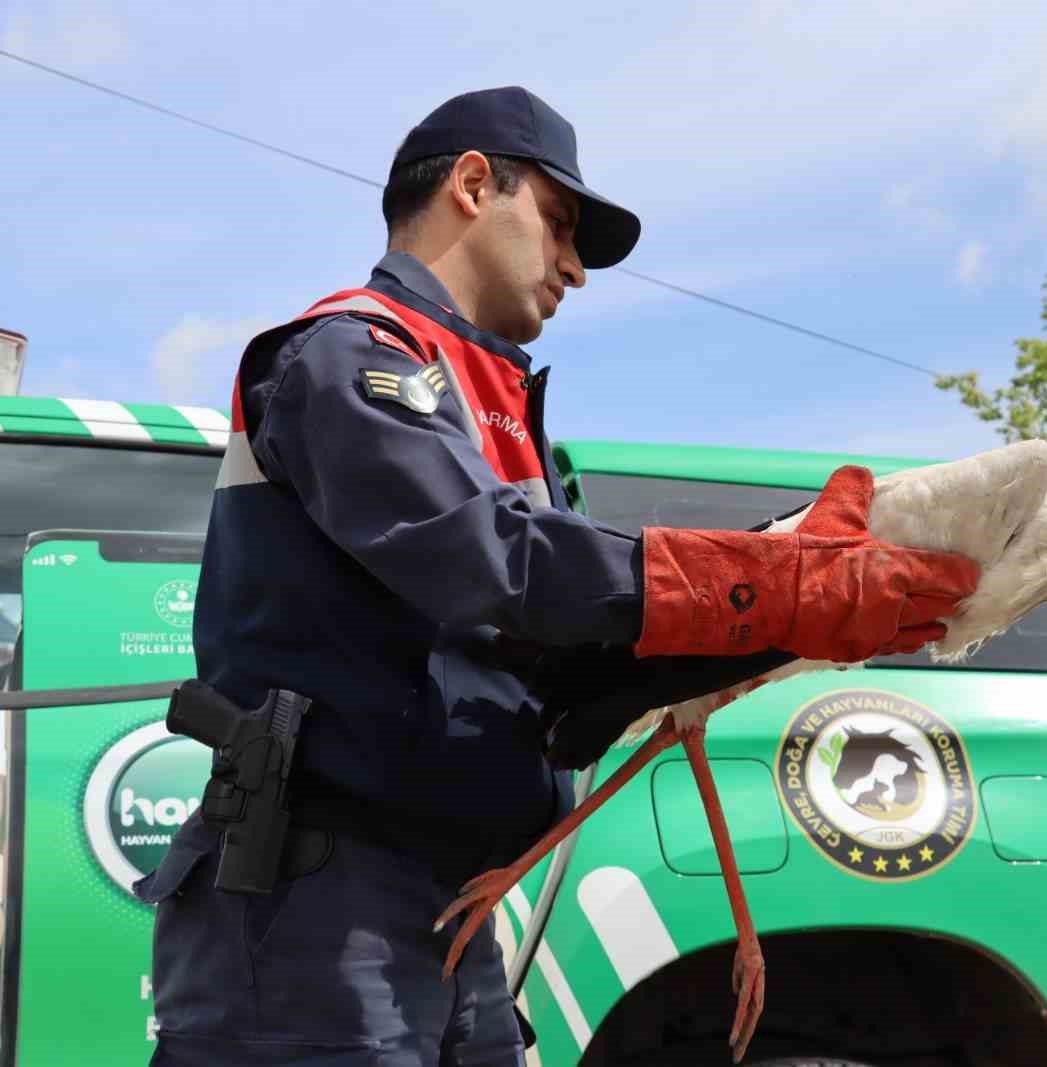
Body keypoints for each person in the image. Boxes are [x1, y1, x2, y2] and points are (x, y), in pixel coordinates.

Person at [133, 86, 981, 1067]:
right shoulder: (348, 355)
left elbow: (565, 669)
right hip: (318, 909)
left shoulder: (483, 402)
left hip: (446, 907)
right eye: (561, 223)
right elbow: (488, 561)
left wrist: (786, 616)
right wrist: (765, 578)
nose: (575, 267)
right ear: (471, 184)